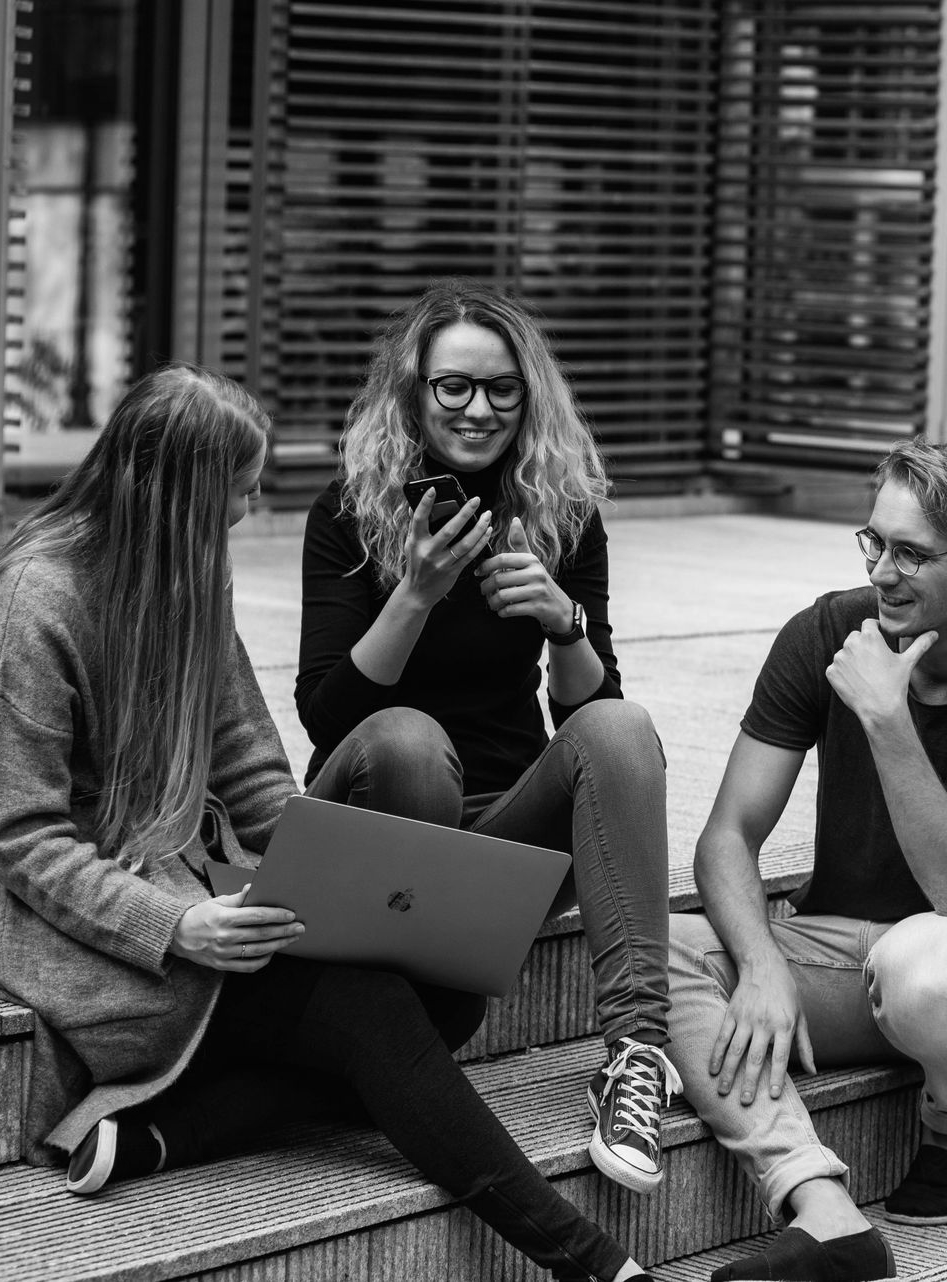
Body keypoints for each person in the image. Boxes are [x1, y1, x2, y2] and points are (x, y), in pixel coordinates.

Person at [0, 365, 657, 1282]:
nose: (244, 515)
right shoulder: (31, 607)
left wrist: (348, 872)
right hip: (91, 940)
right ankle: (589, 1260)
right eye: (236, 494)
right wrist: (177, 926)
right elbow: (24, 839)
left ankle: (169, 1131)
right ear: (176, 494)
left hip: (198, 897)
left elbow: (253, 775)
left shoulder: (187, 579)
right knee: (372, 1011)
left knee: (447, 1000)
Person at [667, 440, 947, 1281]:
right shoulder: (826, 630)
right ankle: (820, 1209)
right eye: (873, 542)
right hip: (836, 948)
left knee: (923, 966)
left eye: (910, 552)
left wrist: (885, 715)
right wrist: (760, 965)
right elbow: (727, 834)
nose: (882, 572)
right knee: (654, 950)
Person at [295, 277, 678, 1197]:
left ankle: (635, 1057)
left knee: (620, 728)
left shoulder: (561, 512)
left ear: (529, 394)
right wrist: (415, 593)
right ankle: (397, 1018)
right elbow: (326, 716)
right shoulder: (348, 512)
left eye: (501, 388)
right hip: (379, 819)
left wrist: (563, 625)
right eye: (453, 387)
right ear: (413, 391)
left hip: (500, 840)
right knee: (409, 741)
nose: (477, 409)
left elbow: (592, 717)